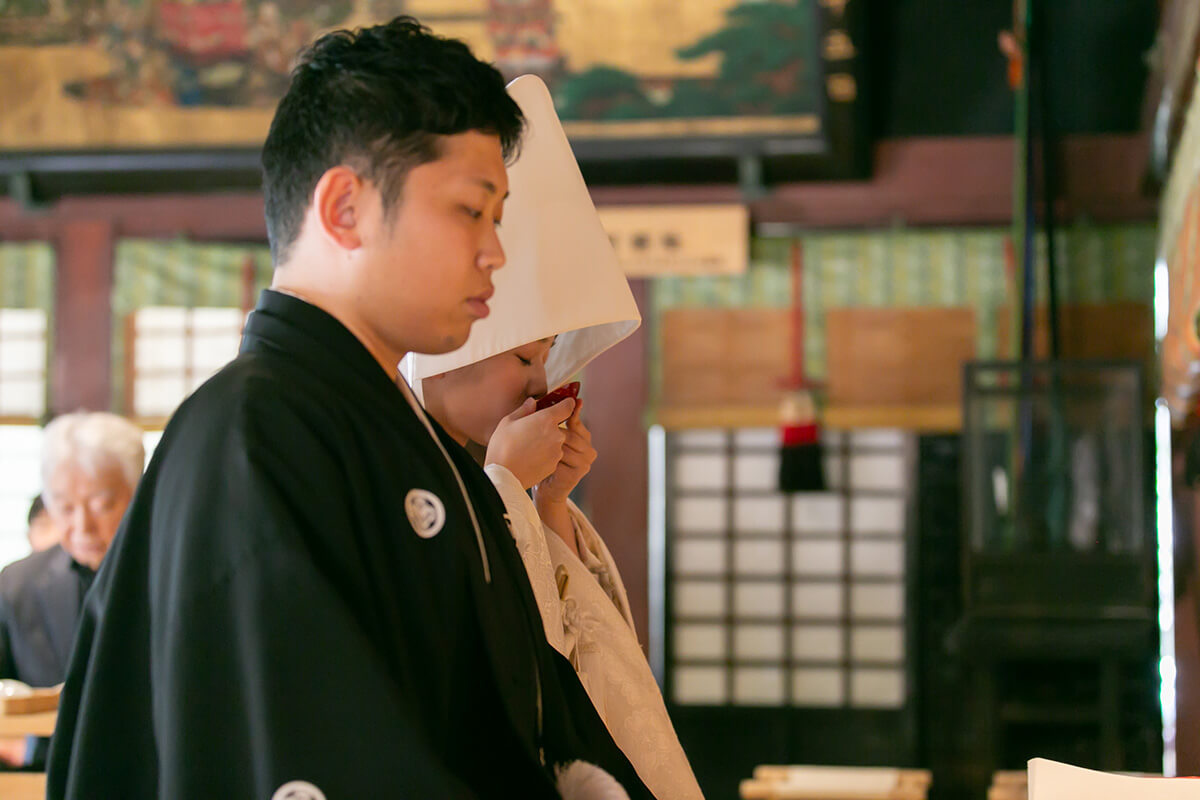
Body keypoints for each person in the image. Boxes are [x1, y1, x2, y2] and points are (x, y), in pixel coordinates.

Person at [47, 18, 650, 800]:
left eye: (497, 218)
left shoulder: (406, 438)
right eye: (472, 210)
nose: (494, 251)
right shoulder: (253, 432)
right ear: (344, 210)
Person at [406, 76, 704, 800]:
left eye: (544, 359)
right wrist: (507, 485)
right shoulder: (403, 462)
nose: (542, 385)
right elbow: (478, 655)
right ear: (450, 348)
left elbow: (589, 662)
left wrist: (548, 507)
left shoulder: (480, 464)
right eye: (525, 357)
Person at [0, 412, 144, 769]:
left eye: (101, 505)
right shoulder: (17, 585)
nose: (82, 525)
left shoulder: (173, 578)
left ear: (139, 492)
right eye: (64, 507)